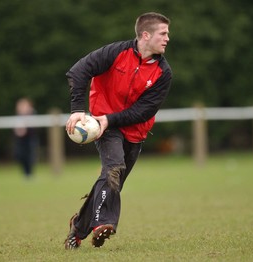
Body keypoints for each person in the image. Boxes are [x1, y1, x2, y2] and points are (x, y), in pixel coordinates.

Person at [64, 12, 172, 249]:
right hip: (104, 128)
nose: (167, 38)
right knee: (113, 170)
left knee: (111, 182)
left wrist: (108, 119)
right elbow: (78, 71)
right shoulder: (115, 53)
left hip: (133, 131)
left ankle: (77, 228)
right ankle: (104, 224)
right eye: (163, 33)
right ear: (146, 35)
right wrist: (77, 110)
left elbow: (143, 111)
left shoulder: (164, 73)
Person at [13, 98, 37, 179]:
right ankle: (25, 173)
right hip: (20, 141)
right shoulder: (18, 116)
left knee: (30, 156)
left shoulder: (32, 115)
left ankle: (29, 173)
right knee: (21, 156)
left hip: (30, 140)